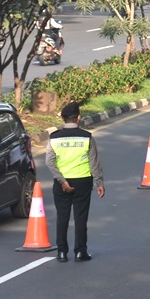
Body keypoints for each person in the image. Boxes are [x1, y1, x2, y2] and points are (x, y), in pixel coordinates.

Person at [45, 101, 105, 263]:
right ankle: (80, 252)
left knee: (62, 217)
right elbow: (94, 162)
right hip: (83, 181)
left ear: (63, 118)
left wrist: (62, 181)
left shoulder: (54, 138)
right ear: (78, 118)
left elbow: (50, 162)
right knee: (80, 217)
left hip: (61, 183)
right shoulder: (86, 137)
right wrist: (99, 183)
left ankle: (62, 252)